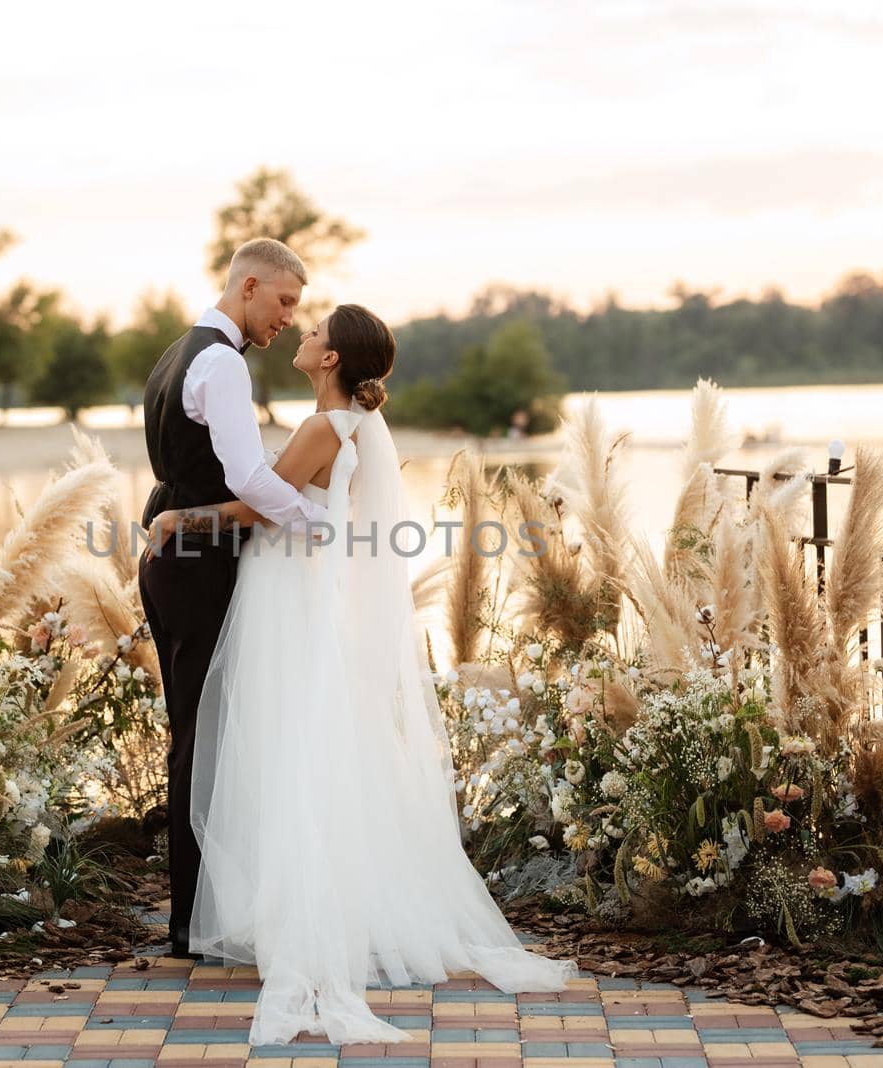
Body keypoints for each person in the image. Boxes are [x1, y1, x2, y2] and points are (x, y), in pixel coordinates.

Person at [147, 305, 579, 1046]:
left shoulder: (326, 427)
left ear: (332, 360)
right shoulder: (350, 424)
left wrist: (177, 522)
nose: (303, 334)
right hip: (302, 589)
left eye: (314, 332)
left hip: (288, 594)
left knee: (290, 746)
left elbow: (255, 507)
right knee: (310, 745)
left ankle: (299, 908)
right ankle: (312, 898)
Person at [137, 238, 327, 961]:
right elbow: (246, 477)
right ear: (249, 286)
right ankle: (192, 925)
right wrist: (318, 523)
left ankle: (198, 915)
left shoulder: (179, 352)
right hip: (197, 563)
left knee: (196, 731)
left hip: (176, 554)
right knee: (201, 737)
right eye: (284, 303)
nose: (287, 321)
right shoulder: (219, 363)